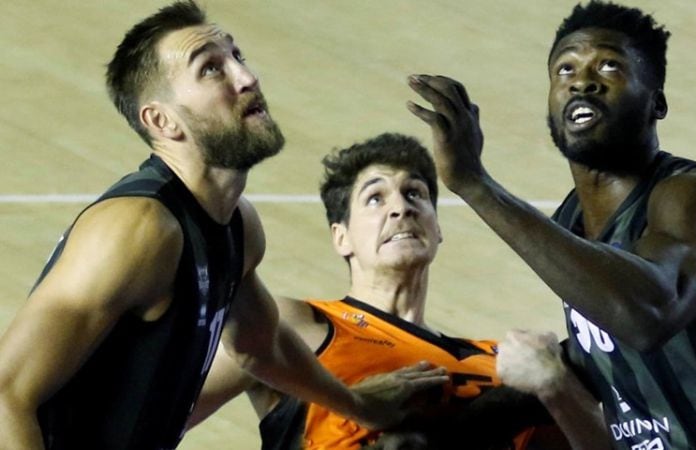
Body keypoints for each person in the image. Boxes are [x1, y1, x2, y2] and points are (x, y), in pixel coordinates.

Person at [0, 2, 449, 449]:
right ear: (162, 120)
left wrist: (357, 405)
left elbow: (260, 344)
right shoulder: (139, 229)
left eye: (237, 56)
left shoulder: (236, 225)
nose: (246, 77)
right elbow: (6, 396)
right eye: (211, 69)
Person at [407, 1, 696, 449]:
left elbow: (648, 317)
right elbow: (603, 356)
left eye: (609, 66)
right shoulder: (572, 220)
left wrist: (476, 184)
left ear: (656, 102)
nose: (582, 80)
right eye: (565, 70)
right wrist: (444, 432)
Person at [188, 132, 608, 450]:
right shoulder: (300, 324)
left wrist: (558, 388)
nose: (400, 207)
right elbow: (162, 414)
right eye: (374, 198)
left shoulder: (510, 361)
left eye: (415, 194)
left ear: (437, 228)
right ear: (341, 237)